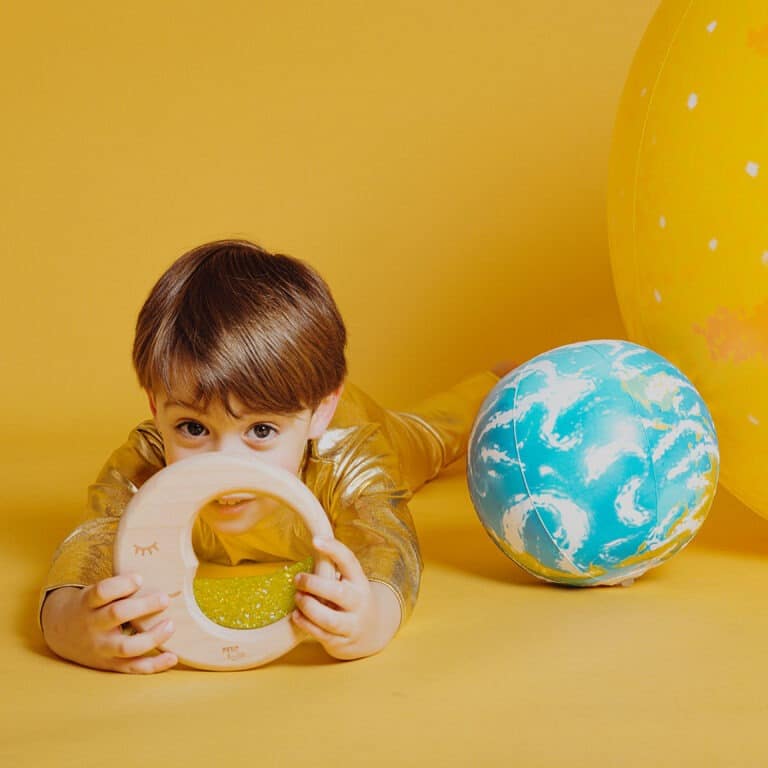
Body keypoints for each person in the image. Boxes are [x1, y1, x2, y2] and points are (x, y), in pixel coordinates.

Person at [40, 239, 503, 673]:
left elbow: (387, 541)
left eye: (261, 430)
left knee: (433, 434)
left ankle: (490, 382)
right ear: (155, 408)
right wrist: (68, 624)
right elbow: (90, 541)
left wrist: (372, 618)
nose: (224, 465)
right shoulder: (146, 460)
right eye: (193, 428)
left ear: (319, 411)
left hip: (370, 429)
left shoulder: (346, 449)